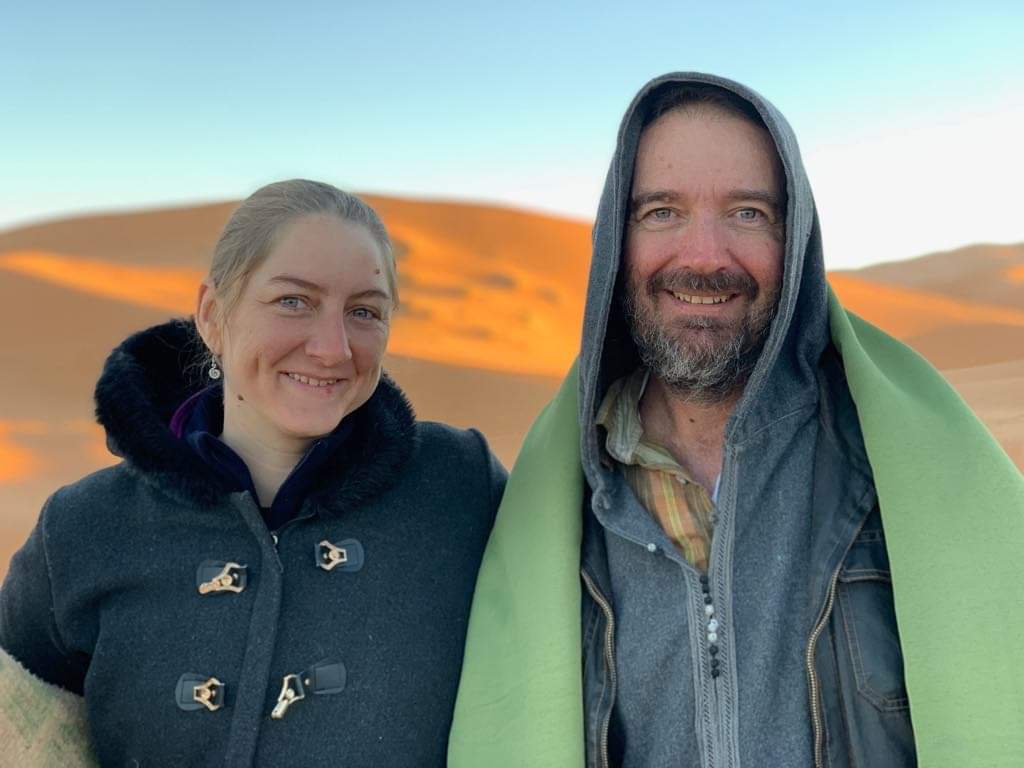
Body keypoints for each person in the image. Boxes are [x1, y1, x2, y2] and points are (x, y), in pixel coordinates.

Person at [449, 74, 1024, 768]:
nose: (703, 257)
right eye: (660, 211)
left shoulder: (918, 473)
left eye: (748, 213)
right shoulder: (548, 514)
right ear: (614, 244)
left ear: (797, 240)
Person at [0, 179, 505, 766]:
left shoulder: (459, 487)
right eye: (294, 301)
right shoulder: (83, 527)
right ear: (214, 315)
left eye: (364, 311)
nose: (333, 348)